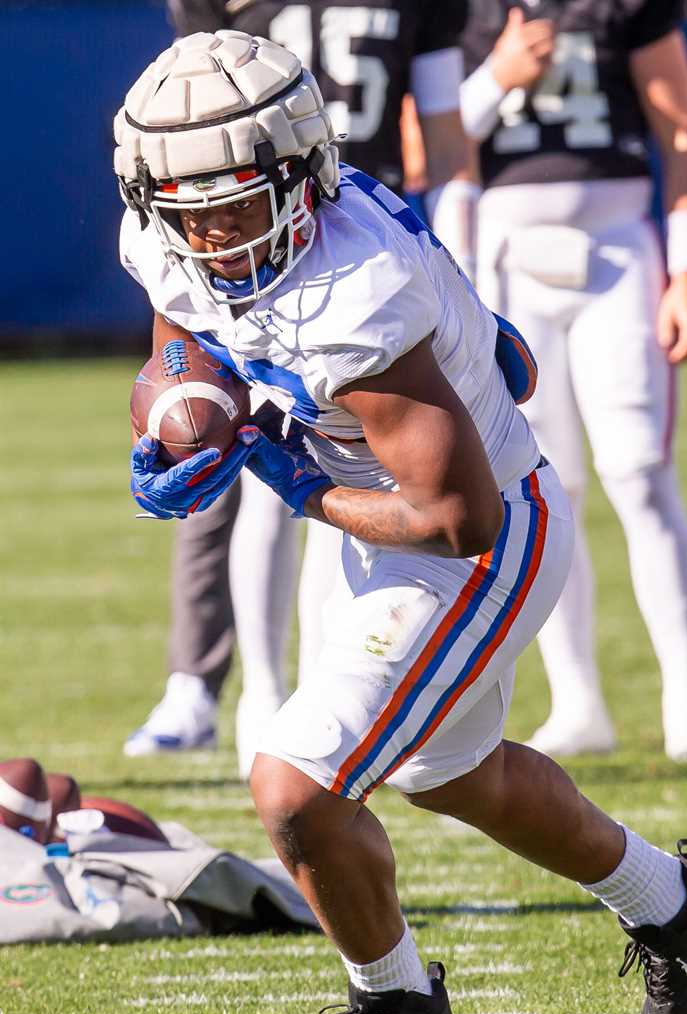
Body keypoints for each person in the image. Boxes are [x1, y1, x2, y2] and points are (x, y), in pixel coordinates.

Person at [115, 31, 687, 1014]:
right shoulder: (168, 234)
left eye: (236, 204)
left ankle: (397, 1003)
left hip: (481, 533)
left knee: (295, 785)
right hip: (406, 507)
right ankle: (673, 903)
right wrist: (182, 412)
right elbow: (183, 320)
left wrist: (300, 481)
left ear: (299, 175)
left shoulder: (354, 290)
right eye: (189, 212)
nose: (216, 237)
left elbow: (461, 521)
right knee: (452, 773)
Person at [127, 0, 480, 775]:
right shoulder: (166, 220)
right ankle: (254, 690)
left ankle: (320, 689)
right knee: (244, 471)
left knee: (329, 482)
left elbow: (446, 133)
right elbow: (186, 138)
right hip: (257, 230)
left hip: (344, 250)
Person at [455, 0, 687, 760]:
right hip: (509, 258)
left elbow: (684, 131)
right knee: (546, 485)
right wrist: (495, 80)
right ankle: (577, 700)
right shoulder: (465, 14)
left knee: (639, 472)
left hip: (616, 250)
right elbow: (424, 145)